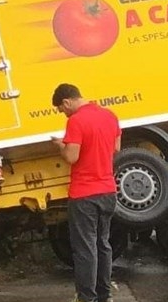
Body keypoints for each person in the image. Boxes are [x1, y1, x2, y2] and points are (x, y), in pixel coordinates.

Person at [50, 83, 121, 302]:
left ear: (67, 102)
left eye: (62, 110)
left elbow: (72, 157)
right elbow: (116, 148)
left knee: (85, 249)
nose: (64, 114)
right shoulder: (109, 115)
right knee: (103, 244)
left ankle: (86, 297)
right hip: (108, 190)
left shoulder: (76, 121)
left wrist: (60, 145)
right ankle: (104, 294)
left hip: (84, 195)